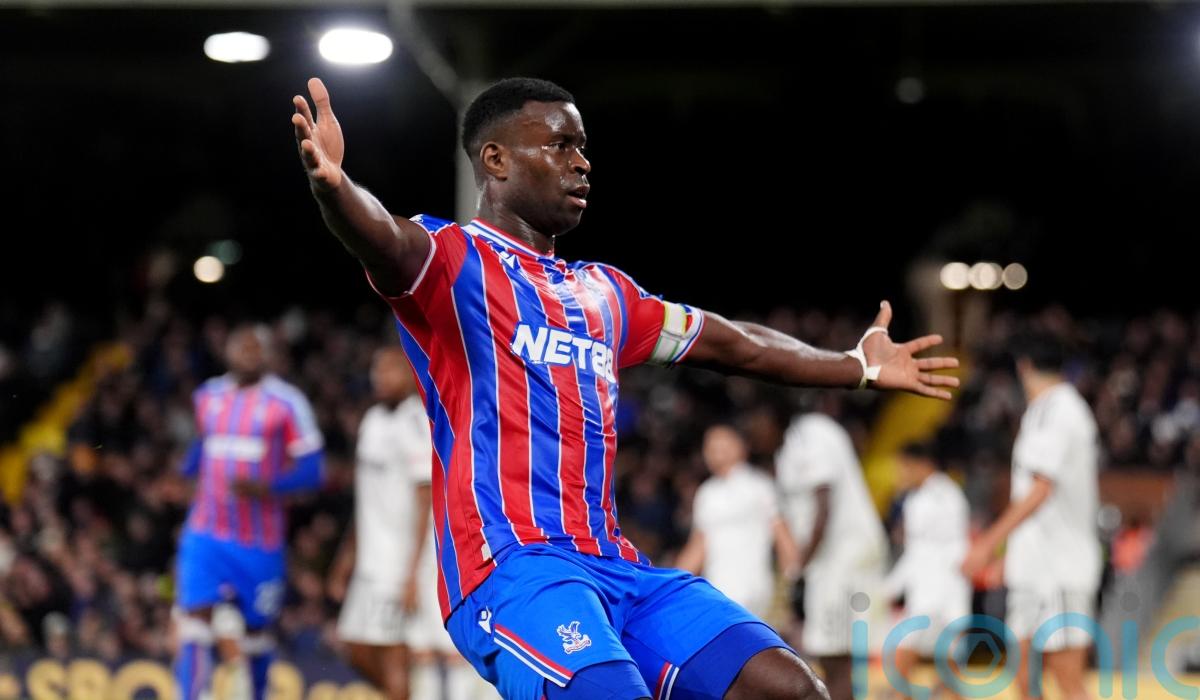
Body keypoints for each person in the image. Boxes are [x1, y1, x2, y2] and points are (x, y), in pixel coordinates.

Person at [292, 75, 959, 700]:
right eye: (559, 145)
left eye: (582, 147)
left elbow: (733, 343)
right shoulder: (452, 262)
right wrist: (335, 189)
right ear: (496, 160)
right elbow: (382, 238)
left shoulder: (608, 295)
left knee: (792, 688)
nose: (582, 163)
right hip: (511, 568)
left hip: (619, 569)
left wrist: (854, 365)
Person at [173, 325, 324, 700]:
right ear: (226, 351)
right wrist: (181, 473)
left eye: (256, 349)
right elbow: (204, 446)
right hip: (205, 532)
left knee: (256, 631)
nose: (248, 354)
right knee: (194, 620)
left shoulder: (287, 403)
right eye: (241, 347)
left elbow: (313, 470)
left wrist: (266, 487)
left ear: (268, 355)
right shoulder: (207, 396)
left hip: (259, 541)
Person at [331, 346, 488, 700]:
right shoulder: (372, 420)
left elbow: (425, 500)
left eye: (391, 369)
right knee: (353, 644)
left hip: (399, 561)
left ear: (409, 373)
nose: (381, 377)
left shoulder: (415, 421)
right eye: (377, 369)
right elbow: (366, 499)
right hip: (370, 561)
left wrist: (414, 572)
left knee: (403, 652)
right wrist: (346, 558)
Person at [962, 332, 1100, 700]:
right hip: (1034, 566)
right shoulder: (1041, 411)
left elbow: (1040, 490)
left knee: (1068, 680)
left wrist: (988, 543)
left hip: (1062, 566)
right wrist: (1011, 555)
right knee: (1022, 674)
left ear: (1024, 366)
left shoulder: (1061, 409)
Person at [775, 409, 888, 700]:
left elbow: (823, 507)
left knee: (836, 655)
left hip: (843, 557)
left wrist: (799, 568)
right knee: (831, 656)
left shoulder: (812, 430)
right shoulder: (788, 446)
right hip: (827, 561)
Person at [676, 424, 799, 620]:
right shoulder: (707, 493)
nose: (716, 450)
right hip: (719, 590)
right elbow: (698, 547)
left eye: (723, 442)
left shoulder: (760, 486)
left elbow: (782, 534)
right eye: (710, 445)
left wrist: (790, 585)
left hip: (756, 590)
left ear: (741, 445)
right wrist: (672, 588)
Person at [883, 441, 969, 700]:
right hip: (925, 584)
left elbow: (955, 544)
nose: (901, 474)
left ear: (921, 465)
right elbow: (916, 551)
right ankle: (901, 692)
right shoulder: (913, 500)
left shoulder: (947, 494)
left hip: (946, 583)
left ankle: (899, 692)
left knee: (943, 648)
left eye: (905, 467)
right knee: (917, 642)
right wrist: (893, 585)